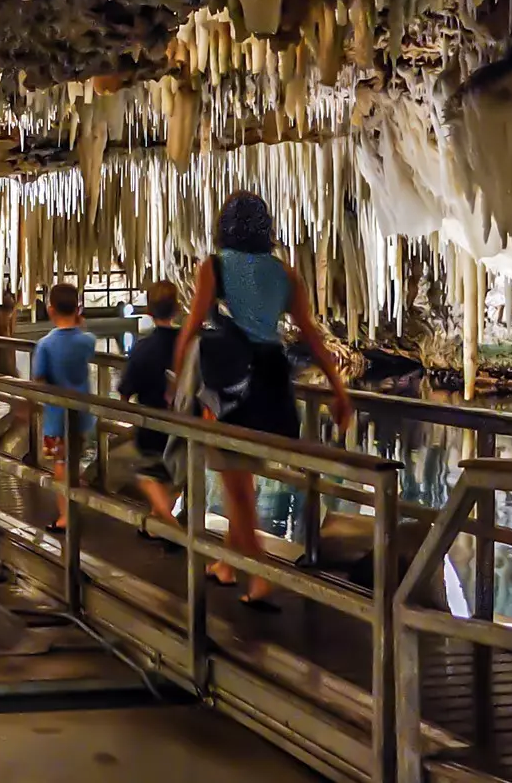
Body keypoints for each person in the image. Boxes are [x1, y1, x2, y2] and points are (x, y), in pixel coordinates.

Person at [174, 190, 356, 609]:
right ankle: (227, 564)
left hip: (232, 387)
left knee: (235, 486)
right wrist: (339, 390)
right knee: (243, 478)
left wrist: (177, 379)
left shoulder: (214, 267)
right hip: (273, 383)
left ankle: (258, 578)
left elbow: (193, 324)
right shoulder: (285, 274)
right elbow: (310, 335)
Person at [117, 281, 184, 533]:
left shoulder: (143, 348)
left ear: (148, 311)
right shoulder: (188, 344)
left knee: (147, 475)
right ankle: (158, 521)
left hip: (151, 426)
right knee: (174, 477)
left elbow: (126, 389)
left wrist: (125, 410)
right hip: (183, 424)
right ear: (177, 310)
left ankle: (170, 527)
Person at [30, 283, 96, 532]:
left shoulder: (45, 345)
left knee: (60, 463)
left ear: (50, 310)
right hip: (82, 412)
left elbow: (39, 377)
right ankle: (75, 503)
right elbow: (86, 336)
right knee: (74, 459)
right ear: (78, 308)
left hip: (57, 416)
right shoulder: (87, 341)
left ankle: (66, 515)